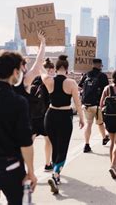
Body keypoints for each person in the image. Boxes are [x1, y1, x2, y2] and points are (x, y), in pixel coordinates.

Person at [0, 51, 37, 204]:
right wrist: (31, 172)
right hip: (11, 167)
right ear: (14, 72)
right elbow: (26, 142)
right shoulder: (18, 102)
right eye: (20, 70)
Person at [43, 55, 84, 194]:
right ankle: (55, 174)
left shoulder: (48, 80)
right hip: (65, 116)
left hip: (50, 115)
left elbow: (40, 70)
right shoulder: (71, 83)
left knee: (55, 146)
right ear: (67, 69)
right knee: (63, 148)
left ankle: (57, 174)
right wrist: (82, 118)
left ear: (56, 68)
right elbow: (78, 103)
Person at [12, 31, 53, 171]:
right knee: (26, 146)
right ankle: (29, 171)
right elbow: (39, 63)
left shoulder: (2, 82)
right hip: (24, 120)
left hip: (7, 123)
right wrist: (43, 43)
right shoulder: (24, 81)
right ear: (22, 67)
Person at [100, 69, 116, 179]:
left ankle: (113, 164)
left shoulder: (107, 88)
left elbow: (101, 104)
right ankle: (113, 165)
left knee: (112, 143)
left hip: (109, 118)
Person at [79, 58, 110, 152]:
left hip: (86, 104)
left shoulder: (86, 74)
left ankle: (86, 144)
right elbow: (107, 90)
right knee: (100, 123)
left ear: (92, 65)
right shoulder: (102, 76)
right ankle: (104, 137)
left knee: (88, 124)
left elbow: (80, 86)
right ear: (100, 65)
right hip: (97, 104)